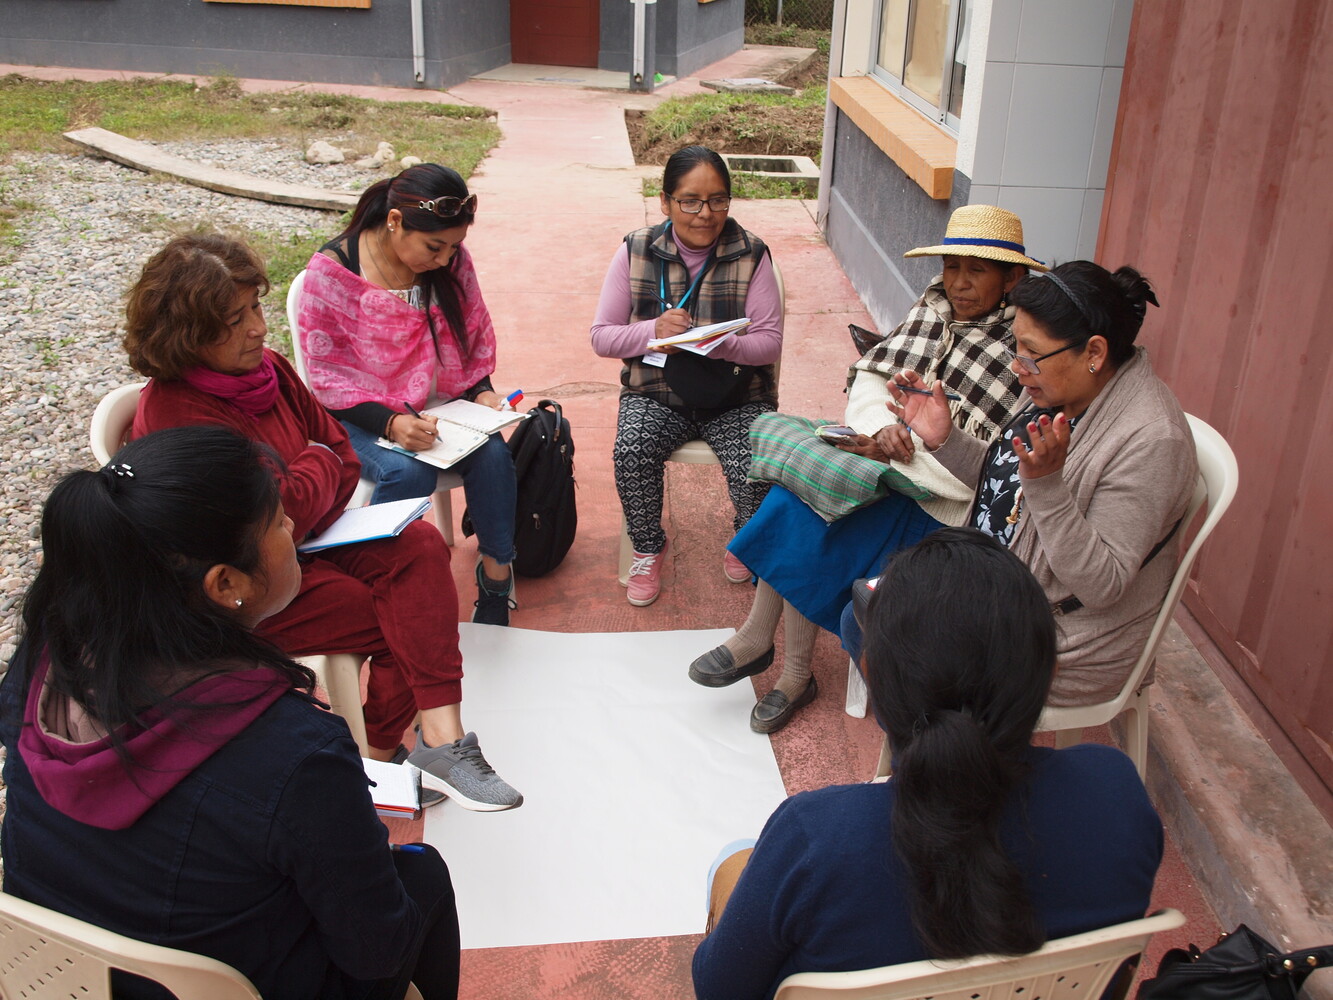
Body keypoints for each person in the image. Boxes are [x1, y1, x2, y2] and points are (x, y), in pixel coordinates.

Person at [0, 427, 461, 1000]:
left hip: (57, 970)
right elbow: (378, 949)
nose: (294, 527)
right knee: (421, 874)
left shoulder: (42, 665)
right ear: (225, 584)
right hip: (231, 981)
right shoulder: (294, 753)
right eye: (278, 521)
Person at [125, 233, 522, 812]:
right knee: (397, 618)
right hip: (240, 582)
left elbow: (342, 452)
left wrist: (303, 481)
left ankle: (437, 741)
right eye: (233, 321)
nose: (258, 328)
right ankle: (383, 756)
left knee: (419, 545)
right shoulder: (179, 414)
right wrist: (313, 471)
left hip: (302, 542)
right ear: (188, 336)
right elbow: (275, 509)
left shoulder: (272, 371)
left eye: (255, 307)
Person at [692, 528, 1164, 1000]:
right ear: (1050, 676)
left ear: (871, 675)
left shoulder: (815, 839)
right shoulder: (1115, 793)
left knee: (732, 859)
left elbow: (717, 988)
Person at [688, 204, 1043, 732]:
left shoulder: (1019, 345)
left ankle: (781, 660)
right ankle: (786, 664)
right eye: (951, 267)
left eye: (977, 271)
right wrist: (881, 431)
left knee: (821, 508)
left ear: (1012, 278)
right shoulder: (934, 308)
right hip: (888, 461)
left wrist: (913, 450)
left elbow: (993, 461)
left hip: (941, 501)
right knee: (802, 488)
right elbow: (874, 378)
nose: (960, 283)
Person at [850, 261, 1197, 706]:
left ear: (1094, 352)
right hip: (997, 586)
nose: (1017, 367)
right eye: (1017, 347)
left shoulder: (1152, 441)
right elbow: (1008, 486)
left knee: (901, 654)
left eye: (1029, 354)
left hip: (1059, 638)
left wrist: (1049, 488)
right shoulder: (1061, 388)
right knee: (863, 616)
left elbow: (1102, 585)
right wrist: (944, 439)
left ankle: (947, 767)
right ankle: (938, 760)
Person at [296, 163, 519, 626]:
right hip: (354, 413)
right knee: (403, 470)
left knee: (493, 454)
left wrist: (481, 393)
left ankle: (497, 579)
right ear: (395, 221)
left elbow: (471, 335)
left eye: (454, 247)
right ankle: (385, 586)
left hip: (434, 408)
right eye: (434, 246)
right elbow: (326, 378)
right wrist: (391, 423)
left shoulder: (451, 260)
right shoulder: (332, 275)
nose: (443, 260)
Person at [591, 145, 784, 607]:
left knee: (755, 460)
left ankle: (746, 541)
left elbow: (770, 342)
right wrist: (653, 331)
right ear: (665, 201)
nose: (706, 214)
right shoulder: (636, 250)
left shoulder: (751, 252)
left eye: (719, 200)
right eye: (690, 201)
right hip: (655, 393)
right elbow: (602, 337)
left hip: (736, 395)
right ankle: (647, 546)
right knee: (632, 449)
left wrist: (722, 343)